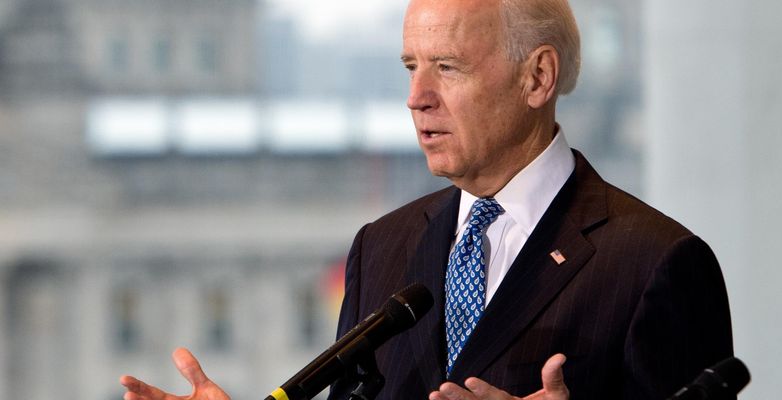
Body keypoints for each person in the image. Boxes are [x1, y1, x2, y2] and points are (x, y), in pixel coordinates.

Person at [119, 0, 735, 399]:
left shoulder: (656, 262)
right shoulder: (381, 246)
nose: (417, 97)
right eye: (411, 67)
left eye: (447, 67)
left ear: (537, 77)